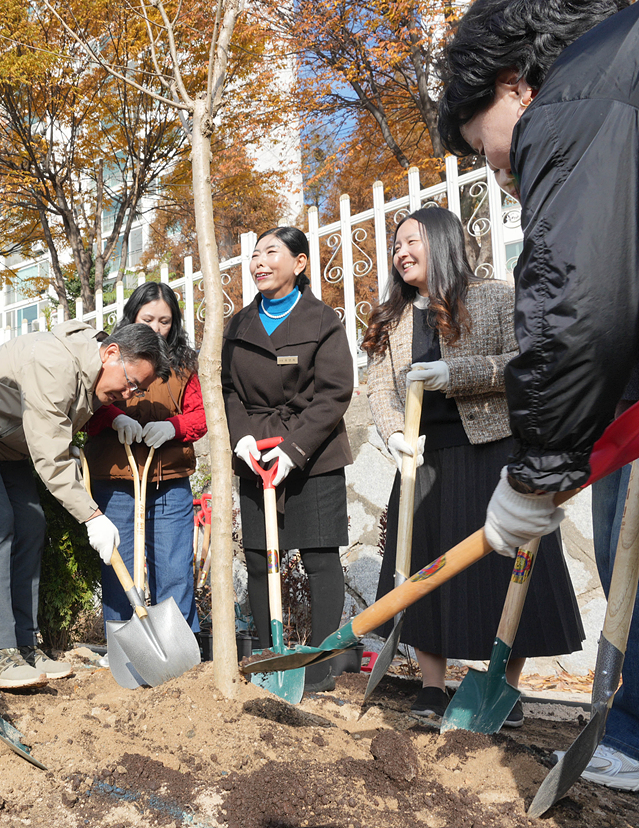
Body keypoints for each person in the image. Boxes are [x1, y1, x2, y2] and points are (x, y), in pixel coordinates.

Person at [439, 0, 637, 790]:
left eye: (480, 137)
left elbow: (580, 299)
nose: (496, 165)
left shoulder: (575, 100)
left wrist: (540, 467)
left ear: (515, 85)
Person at [363, 207, 583, 722]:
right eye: (396, 244)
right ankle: (433, 686)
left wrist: (454, 373)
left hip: (490, 452)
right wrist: (394, 433)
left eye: (412, 240)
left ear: (442, 243)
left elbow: (522, 361)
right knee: (422, 572)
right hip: (422, 458)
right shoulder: (391, 316)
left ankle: (502, 685)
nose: (401, 251)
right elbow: (377, 387)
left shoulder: (494, 298)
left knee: (504, 569)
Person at [0, 321, 170, 689]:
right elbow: (50, 457)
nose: (128, 394)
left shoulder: (92, 375)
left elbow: (56, 430)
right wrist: (92, 516)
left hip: (8, 442)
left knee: (31, 524)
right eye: (130, 383)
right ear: (110, 354)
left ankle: (24, 645)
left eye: (137, 389)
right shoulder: (54, 364)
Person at [221, 227, 353, 693]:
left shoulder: (322, 321)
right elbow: (229, 391)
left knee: (319, 556)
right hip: (255, 456)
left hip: (312, 454)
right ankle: (271, 658)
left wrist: (293, 450)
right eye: (255, 255)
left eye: (271, 252)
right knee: (260, 559)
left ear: (299, 263)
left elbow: (334, 393)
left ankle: (319, 664)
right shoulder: (237, 326)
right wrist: (244, 440)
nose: (259, 262)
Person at [84, 282, 206, 634]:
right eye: (148, 319)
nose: (156, 328)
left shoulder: (185, 364)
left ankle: (179, 644)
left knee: (174, 567)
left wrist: (174, 427)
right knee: (121, 566)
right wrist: (113, 417)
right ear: (132, 317)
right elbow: (85, 408)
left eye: (164, 321)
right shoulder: (107, 354)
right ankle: (124, 644)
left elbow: (201, 415)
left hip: (168, 480)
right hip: (116, 478)